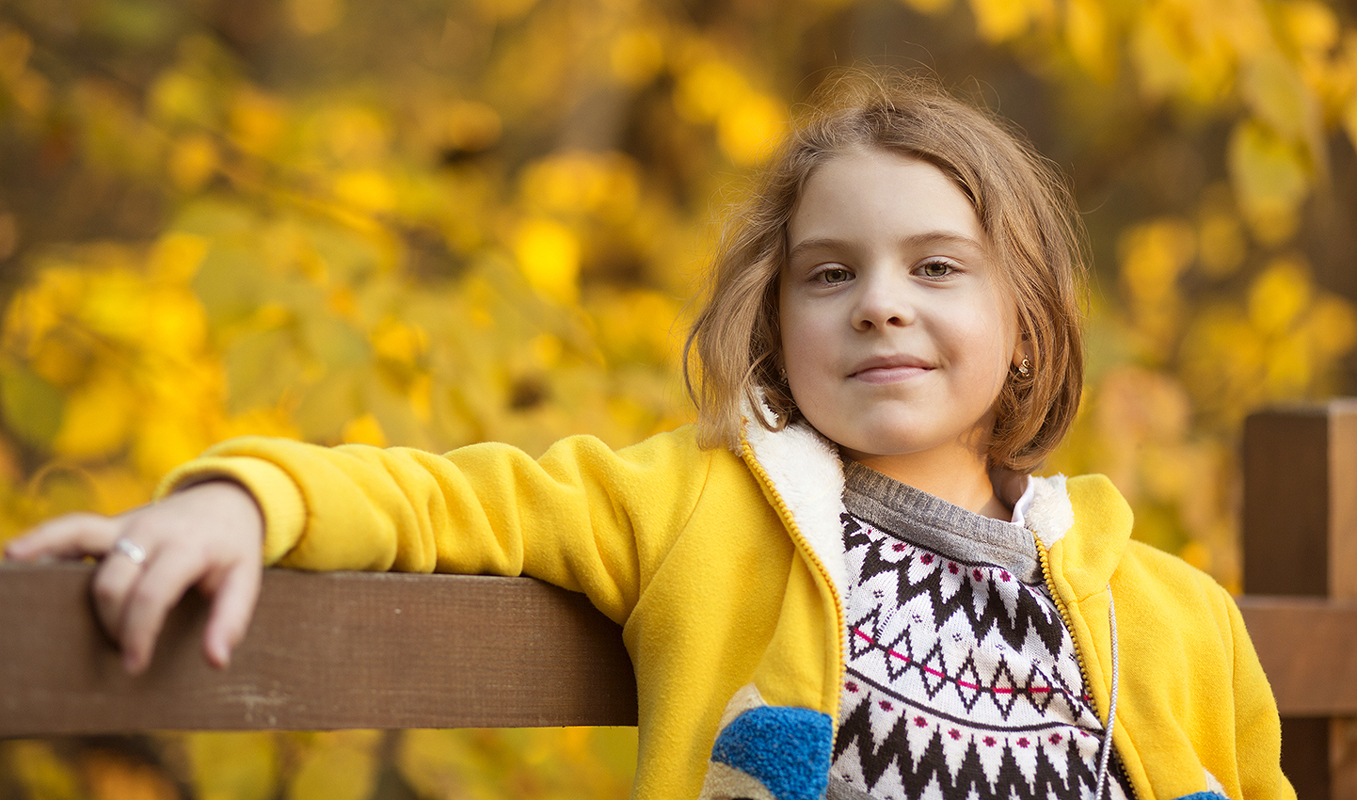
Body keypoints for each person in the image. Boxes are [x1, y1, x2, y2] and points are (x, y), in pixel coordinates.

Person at [5, 70, 1293, 800]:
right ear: (773, 319)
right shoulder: (704, 510)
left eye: (939, 267)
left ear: (1025, 326)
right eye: (830, 275)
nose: (882, 300)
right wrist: (240, 502)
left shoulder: (1172, 617)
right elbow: (458, 500)